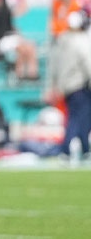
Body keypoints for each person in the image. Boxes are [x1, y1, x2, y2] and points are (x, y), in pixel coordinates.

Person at [47, 11, 91, 163]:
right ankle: (74, 149)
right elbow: (88, 63)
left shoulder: (62, 41)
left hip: (66, 87)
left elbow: (53, 66)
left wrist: (54, 85)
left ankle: (82, 149)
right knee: (80, 119)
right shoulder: (80, 40)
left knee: (75, 117)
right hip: (80, 85)